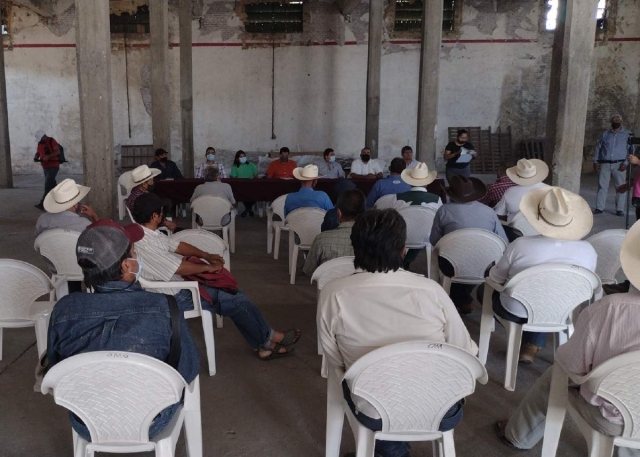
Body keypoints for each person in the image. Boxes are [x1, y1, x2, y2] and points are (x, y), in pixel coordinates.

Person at [318, 209, 478, 457]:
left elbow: (333, 357)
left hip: (374, 408)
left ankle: (391, 451)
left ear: (355, 248)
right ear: (403, 249)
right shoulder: (431, 290)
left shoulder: (334, 292)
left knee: (368, 390)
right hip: (441, 406)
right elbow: (465, 351)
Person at [44, 219, 200, 442]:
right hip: (153, 420)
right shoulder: (164, 306)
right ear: (126, 266)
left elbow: (56, 365)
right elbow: (189, 368)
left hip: (86, 421)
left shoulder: (63, 310)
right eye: (134, 253)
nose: (136, 259)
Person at [495, 221, 640, 454]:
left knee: (558, 373)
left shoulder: (610, 309)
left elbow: (572, 365)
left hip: (614, 415)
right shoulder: (587, 252)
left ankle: (517, 435)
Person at [132, 193, 301, 360]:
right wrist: (208, 267)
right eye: (161, 212)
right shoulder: (144, 242)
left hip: (179, 286)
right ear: (155, 216)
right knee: (235, 299)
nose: (163, 214)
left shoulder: (148, 233)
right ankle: (270, 340)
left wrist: (206, 254)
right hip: (173, 296)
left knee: (233, 292)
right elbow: (180, 267)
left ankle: (265, 343)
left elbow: (177, 246)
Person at [489, 186, 597, 364]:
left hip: (516, 310)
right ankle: (533, 343)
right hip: (562, 310)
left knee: (488, 292)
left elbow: (496, 279)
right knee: (548, 297)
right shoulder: (588, 250)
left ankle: (527, 339)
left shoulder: (520, 245)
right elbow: (586, 285)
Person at [429, 175, 508, 313]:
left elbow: (434, 240)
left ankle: (461, 299)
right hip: (485, 265)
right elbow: (503, 241)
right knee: (470, 262)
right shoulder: (489, 212)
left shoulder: (444, 211)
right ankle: (464, 299)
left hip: (452, 264)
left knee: (452, 261)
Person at [302, 189, 365, 276]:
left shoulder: (321, 239)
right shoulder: (373, 240)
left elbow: (309, 270)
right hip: (360, 287)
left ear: (338, 214)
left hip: (327, 287)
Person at [593, 114, 633, 216]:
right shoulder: (605, 134)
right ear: (611, 122)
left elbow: (631, 150)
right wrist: (595, 160)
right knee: (602, 186)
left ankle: (619, 209)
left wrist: (626, 163)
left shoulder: (627, 134)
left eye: (617, 120)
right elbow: (598, 147)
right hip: (605, 164)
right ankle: (599, 207)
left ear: (621, 121)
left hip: (619, 164)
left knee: (620, 187)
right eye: (614, 120)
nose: (616, 122)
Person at [35, 179, 99, 237]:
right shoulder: (84, 224)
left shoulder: (43, 219)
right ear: (75, 205)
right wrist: (94, 215)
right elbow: (101, 239)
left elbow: (38, 239)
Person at [494, 158, 549, 222]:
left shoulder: (510, 192)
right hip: (542, 230)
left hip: (515, 230)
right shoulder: (550, 190)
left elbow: (500, 215)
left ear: (517, 175)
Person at [33, 130, 61, 211]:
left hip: (53, 166)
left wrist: (48, 156)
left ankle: (43, 204)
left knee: (48, 185)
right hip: (45, 167)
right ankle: (59, 199)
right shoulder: (40, 143)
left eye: (40, 139)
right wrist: (36, 156)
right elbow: (38, 152)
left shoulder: (52, 141)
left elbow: (57, 151)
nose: (40, 141)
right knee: (52, 184)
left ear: (44, 136)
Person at [230, 150, 259, 217]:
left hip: (252, 185)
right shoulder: (235, 166)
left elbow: (256, 176)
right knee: (240, 193)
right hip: (240, 186)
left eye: (244, 156)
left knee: (256, 193)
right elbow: (233, 177)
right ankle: (249, 209)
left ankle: (247, 209)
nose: (243, 158)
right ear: (237, 158)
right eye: (241, 157)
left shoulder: (251, 165)